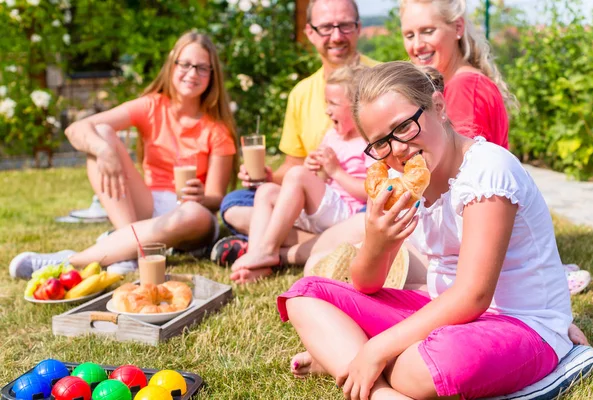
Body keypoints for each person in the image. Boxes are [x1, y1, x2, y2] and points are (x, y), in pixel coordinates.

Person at [278, 61, 573, 399]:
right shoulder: (399, 183)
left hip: (520, 325)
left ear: (438, 107)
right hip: (444, 316)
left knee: (427, 366)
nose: (398, 150)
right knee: (305, 294)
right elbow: (366, 284)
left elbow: (473, 296)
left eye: (403, 126)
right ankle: (380, 390)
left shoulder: (487, 171)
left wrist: (377, 349)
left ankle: (348, 357)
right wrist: (376, 242)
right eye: (381, 142)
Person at [288, 0, 591, 296]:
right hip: (446, 234)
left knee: (324, 262)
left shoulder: (464, 90)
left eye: (428, 31)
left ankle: (280, 254)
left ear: (457, 27)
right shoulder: (450, 83)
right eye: (409, 35)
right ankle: (280, 252)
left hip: (473, 243)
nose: (417, 44)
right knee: (327, 261)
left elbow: (462, 184)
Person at [9, 31, 237, 278]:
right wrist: (103, 150)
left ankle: (70, 261)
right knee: (102, 134)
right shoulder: (151, 106)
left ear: (212, 76)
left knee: (192, 213)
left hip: (191, 217)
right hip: (148, 205)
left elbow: (217, 197)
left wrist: (203, 197)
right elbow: (77, 129)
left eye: (202, 68)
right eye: (186, 64)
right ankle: (129, 251)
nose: (192, 74)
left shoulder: (217, 129)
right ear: (172, 65)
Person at [210, 0, 378, 266]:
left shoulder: (381, 80)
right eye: (326, 27)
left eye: (345, 25)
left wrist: (329, 173)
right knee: (236, 202)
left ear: (358, 28)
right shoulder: (302, 93)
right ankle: (300, 245)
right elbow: (294, 168)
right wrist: (267, 177)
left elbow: (383, 179)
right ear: (310, 33)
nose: (336, 36)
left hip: (357, 206)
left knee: (377, 214)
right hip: (323, 198)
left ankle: (276, 250)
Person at [230, 66, 369, 283]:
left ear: (358, 106)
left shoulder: (369, 142)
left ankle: (268, 251)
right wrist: (316, 168)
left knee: (296, 175)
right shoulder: (333, 135)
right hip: (325, 208)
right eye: (326, 102)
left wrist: (335, 171)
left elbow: (368, 192)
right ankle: (259, 256)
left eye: (333, 103)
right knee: (266, 191)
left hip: (346, 213)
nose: (327, 110)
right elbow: (322, 180)